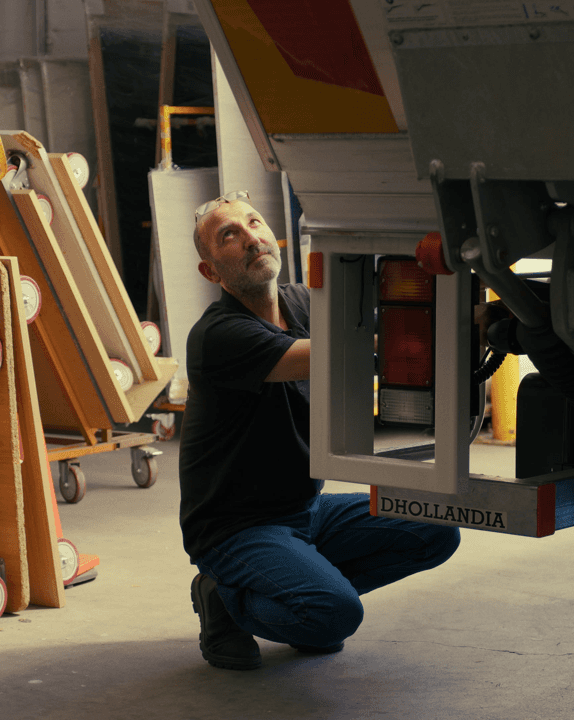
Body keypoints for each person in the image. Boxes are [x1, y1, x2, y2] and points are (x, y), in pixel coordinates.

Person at [179, 191, 462, 670]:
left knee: (436, 529)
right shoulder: (218, 336)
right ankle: (225, 598)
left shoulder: (303, 303)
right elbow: (343, 351)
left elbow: (388, 322)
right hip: (236, 528)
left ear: (275, 238)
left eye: (254, 223)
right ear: (212, 272)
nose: (250, 237)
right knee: (334, 616)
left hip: (304, 510)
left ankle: (299, 590)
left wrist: (465, 314)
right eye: (230, 235)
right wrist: (449, 330)